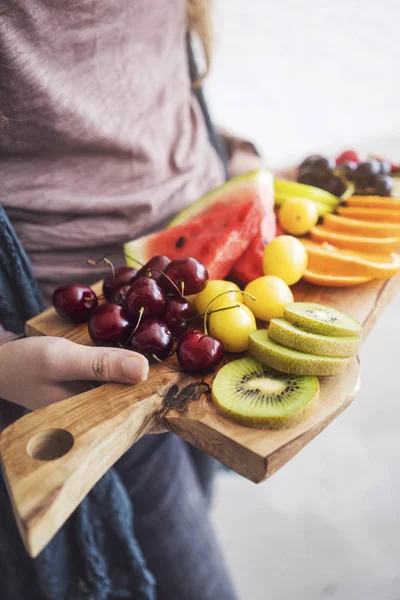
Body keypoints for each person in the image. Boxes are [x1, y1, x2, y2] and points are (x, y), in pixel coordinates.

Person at [0, 2, 262, 599]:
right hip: (77, 348)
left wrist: (236, 160)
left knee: (199, 492)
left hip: (212, 294)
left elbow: (134, 73)